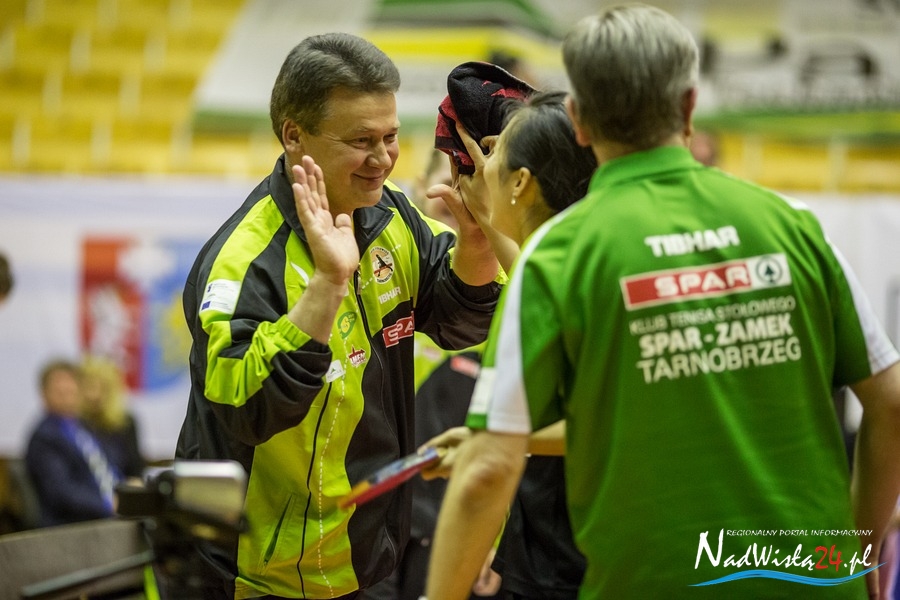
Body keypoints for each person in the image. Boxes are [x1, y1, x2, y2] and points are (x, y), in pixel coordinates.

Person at [425, 5, 900, 600]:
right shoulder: (794, 224)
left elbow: (489, 468)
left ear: (578, 121)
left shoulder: (561, 255)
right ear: (689, 107)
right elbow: (892, 405)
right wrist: (859, 551)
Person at [174, 32, 501, 600]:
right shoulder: (244, 260)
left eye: (390, 137)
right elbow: (247, 409)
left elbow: (459, 322)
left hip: (362, 565)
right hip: (251, 577)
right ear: (293, 136)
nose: (383, 159)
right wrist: (327, 284)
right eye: (361, 141)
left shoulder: (394, 215)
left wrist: (476, 243)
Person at [424, 90, 593, 600]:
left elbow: (610, 422)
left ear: (522, 181)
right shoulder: (582, 254)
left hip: (570, 553)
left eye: (496, 152)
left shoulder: (566, 273)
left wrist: (496, 442)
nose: (482, 164)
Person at [24, 359, 122, 527]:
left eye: (70, 387)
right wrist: (109, 505)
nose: (66, 393)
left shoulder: (84, 427)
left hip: (108, 515)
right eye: (59, 389)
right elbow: (62, 493)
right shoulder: (45, 437)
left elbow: (108, 466)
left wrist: (128, 489)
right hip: (76, 525)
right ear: (44, 394)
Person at [80, 355, 145, 480]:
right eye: (88, 387)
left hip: (119, 487)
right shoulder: (72, 424)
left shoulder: (125, 422)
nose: (94, 395)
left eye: (102, 388)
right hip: (84, 490)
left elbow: (135, 471)